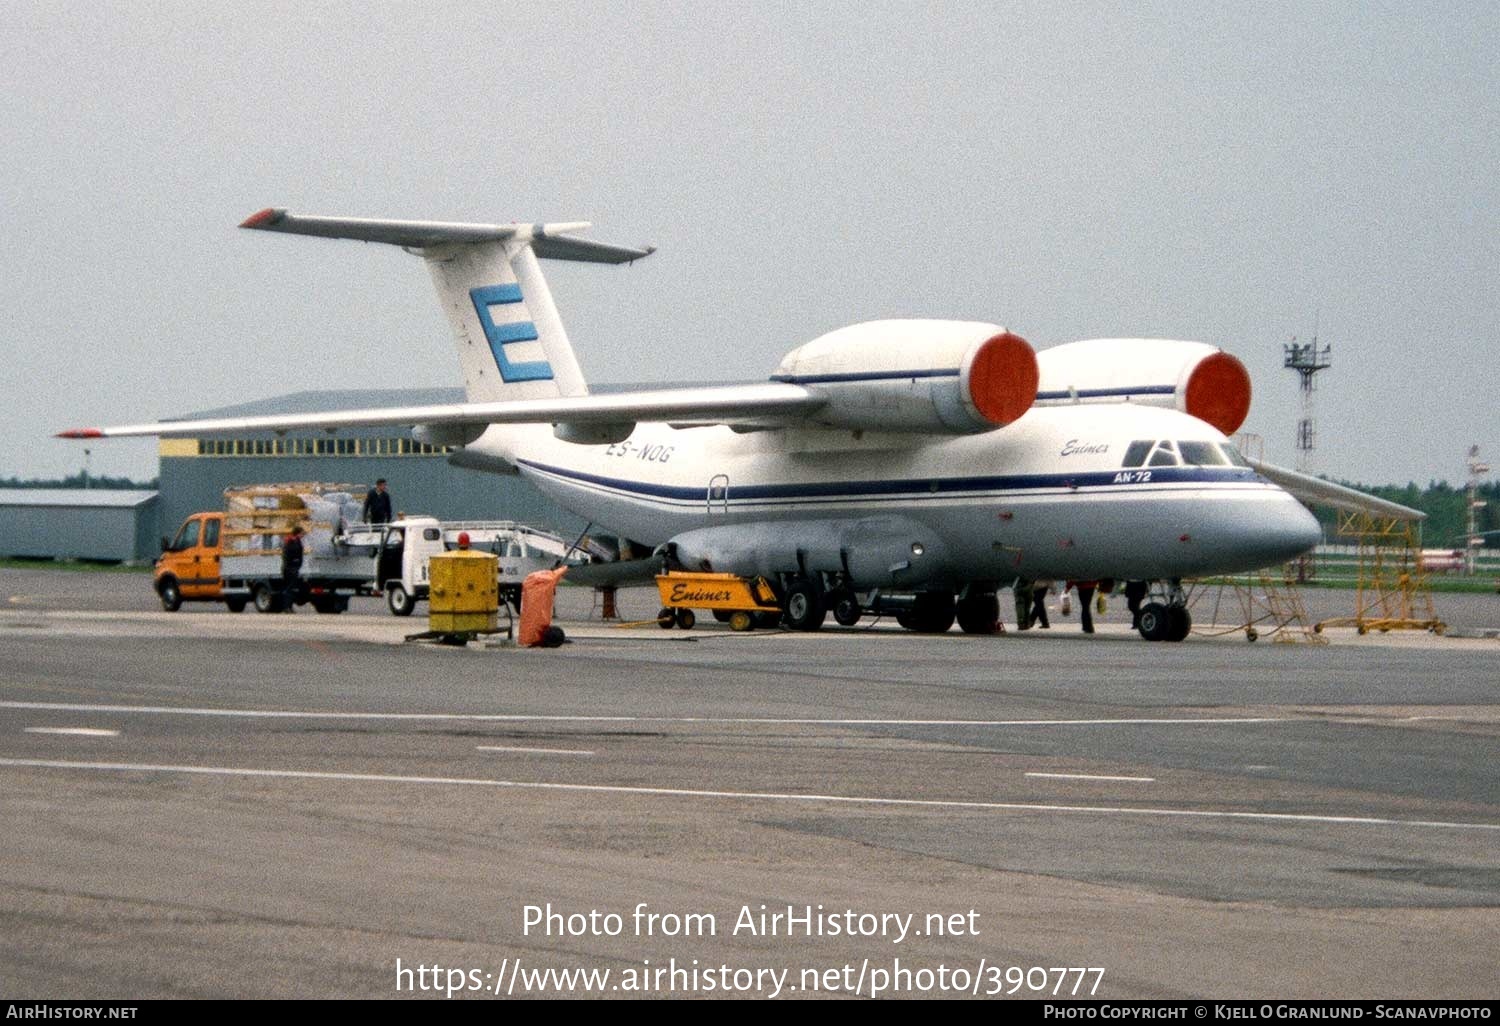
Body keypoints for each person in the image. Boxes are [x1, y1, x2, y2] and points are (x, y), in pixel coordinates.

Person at [280, 524, 306, 611]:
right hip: (289, 567)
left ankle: (289, 606)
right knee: (289, 588)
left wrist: (298, 564)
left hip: (295, 567)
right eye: (301, 533)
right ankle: (286, 607)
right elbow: (286, 555)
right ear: (297, 533)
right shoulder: (290, 541)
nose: (303, 535)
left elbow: (300, 554)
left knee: (292, 588)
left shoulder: (298, 541)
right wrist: (291, 565)